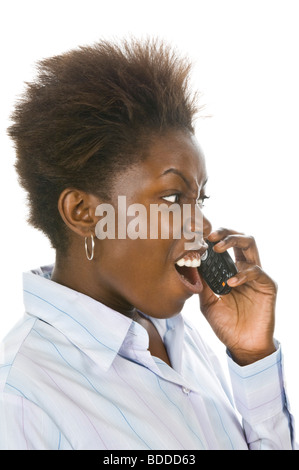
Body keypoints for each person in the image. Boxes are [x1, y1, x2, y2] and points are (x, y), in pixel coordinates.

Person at [0, 38, 295, 450]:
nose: (202, 223)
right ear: (84, 212)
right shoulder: (20, 397)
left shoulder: (177, 335)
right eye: (174, 198)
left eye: (200, 198)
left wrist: (252, 357)